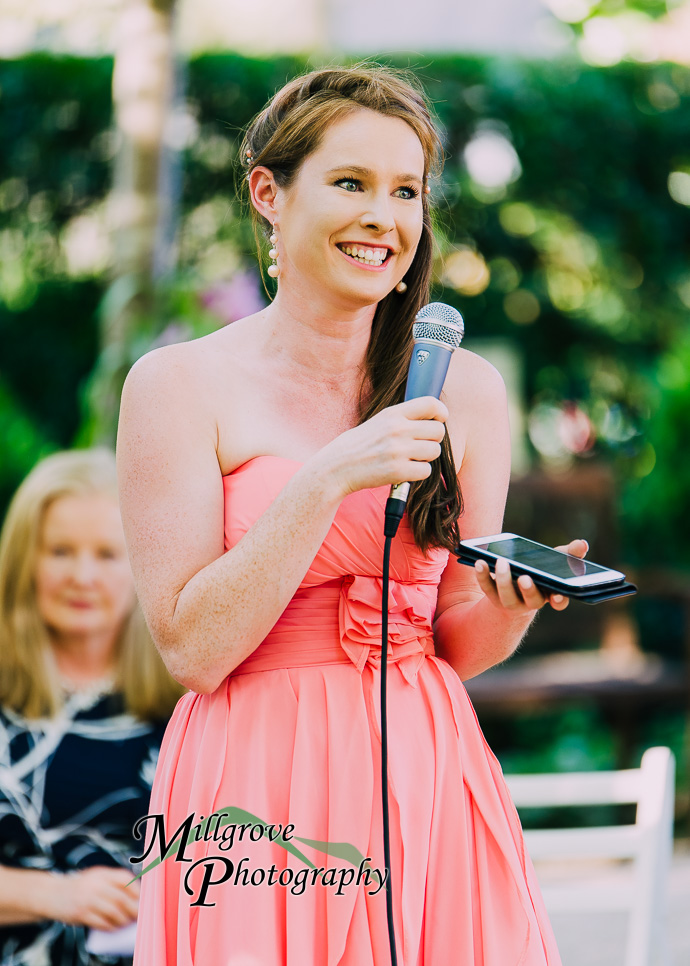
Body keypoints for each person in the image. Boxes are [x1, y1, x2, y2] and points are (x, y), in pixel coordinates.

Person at [118, 66, 588, 965]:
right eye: (351, 184)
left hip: (423, 762)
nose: (385, 217)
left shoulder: (467, 390)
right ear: (269, 193)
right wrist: (324, 479)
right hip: (255, 778)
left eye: (406, 192)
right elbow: (191, 647)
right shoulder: (178, 387)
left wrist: (506, 603)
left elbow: (459, 642)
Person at [0, 449, 184, 966]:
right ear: (24, 559)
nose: (82, 575)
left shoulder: (189, 701)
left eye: (106, 554)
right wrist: (54, 895)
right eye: (60, 551)